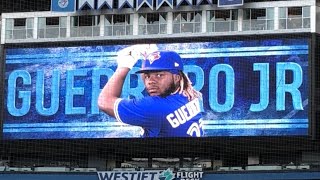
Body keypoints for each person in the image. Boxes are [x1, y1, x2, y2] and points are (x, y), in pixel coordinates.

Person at [98, 45, 204, 137]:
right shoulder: (190, 94)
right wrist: (151, 56)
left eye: (159, 75)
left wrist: (124, 66)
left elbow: (104, 101)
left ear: (177, 78)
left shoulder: (155, 107)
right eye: (147, 76)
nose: (150, 82)